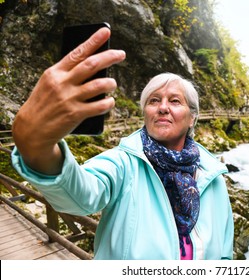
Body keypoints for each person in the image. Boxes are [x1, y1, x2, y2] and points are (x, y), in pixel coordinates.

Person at [11, 27, 234, 260]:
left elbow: (225, 252)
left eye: (175, 101)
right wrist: (37, 146)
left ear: (192, 118)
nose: (163, 107)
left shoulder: (213, 176)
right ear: (145, 113)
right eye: (154, 100)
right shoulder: (123, 163)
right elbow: (79, 195)